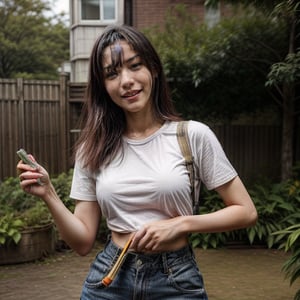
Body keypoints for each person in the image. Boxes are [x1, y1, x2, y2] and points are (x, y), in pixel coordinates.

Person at [17, 25, 258, 299]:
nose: (126, 81)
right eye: (112, 73)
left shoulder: (193, 135)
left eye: (135, 66)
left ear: (153, 68)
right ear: (104, 86)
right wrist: (48, 193)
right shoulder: (93, 147)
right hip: (109, 279)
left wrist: (180, 224)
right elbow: (83, 242)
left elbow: (246, 211)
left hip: (175, 281)